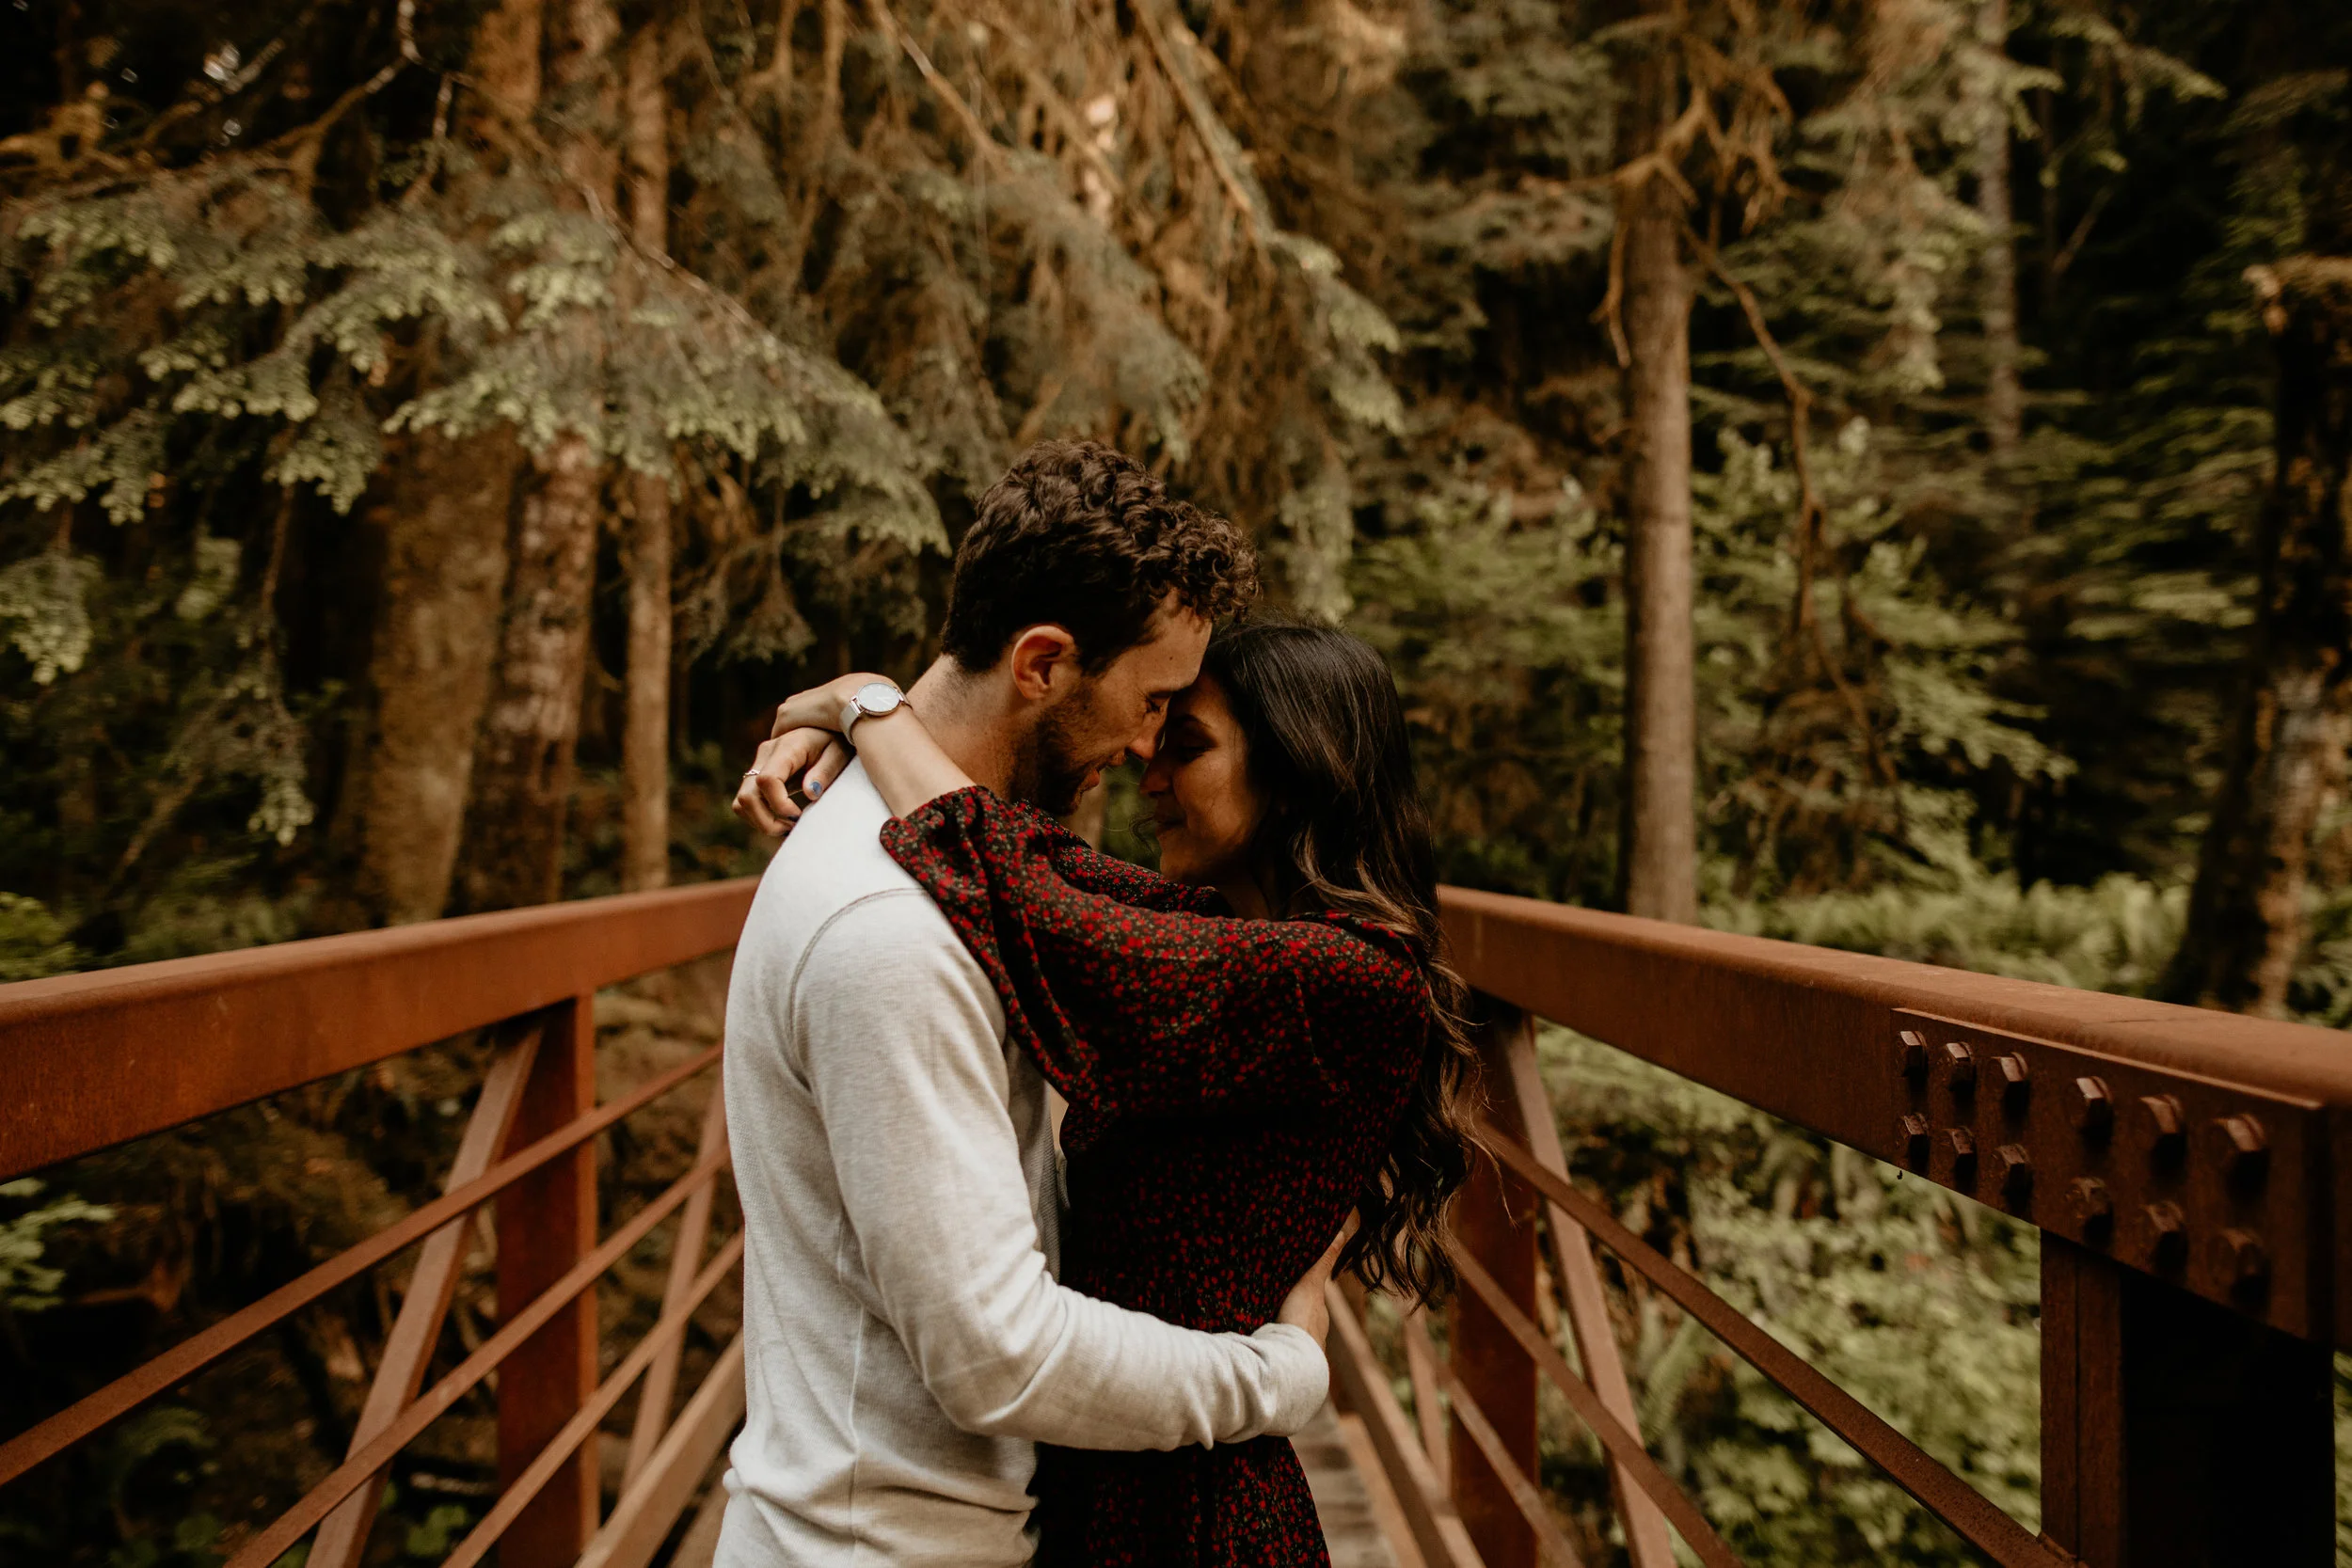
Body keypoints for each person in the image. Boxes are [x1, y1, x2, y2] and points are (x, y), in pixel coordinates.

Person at [715, 442, 1348, 1568]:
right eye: (1152, 702)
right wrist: (1277, 1375)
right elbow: (995, 1352)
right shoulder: (891, 928)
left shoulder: (952, 864)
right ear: (1044, 662)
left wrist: (860, 700)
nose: (1150, 747)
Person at [743, 618, 1479, 1568]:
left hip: (1196, 1511)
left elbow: (1010, 883)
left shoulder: (1350, 979)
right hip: (1115, 1473)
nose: (1149, 772)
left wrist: (866, 707)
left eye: (1189, 748)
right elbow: (1023, 862)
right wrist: (859, 713)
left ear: (1303, 766)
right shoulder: (1213, 930)